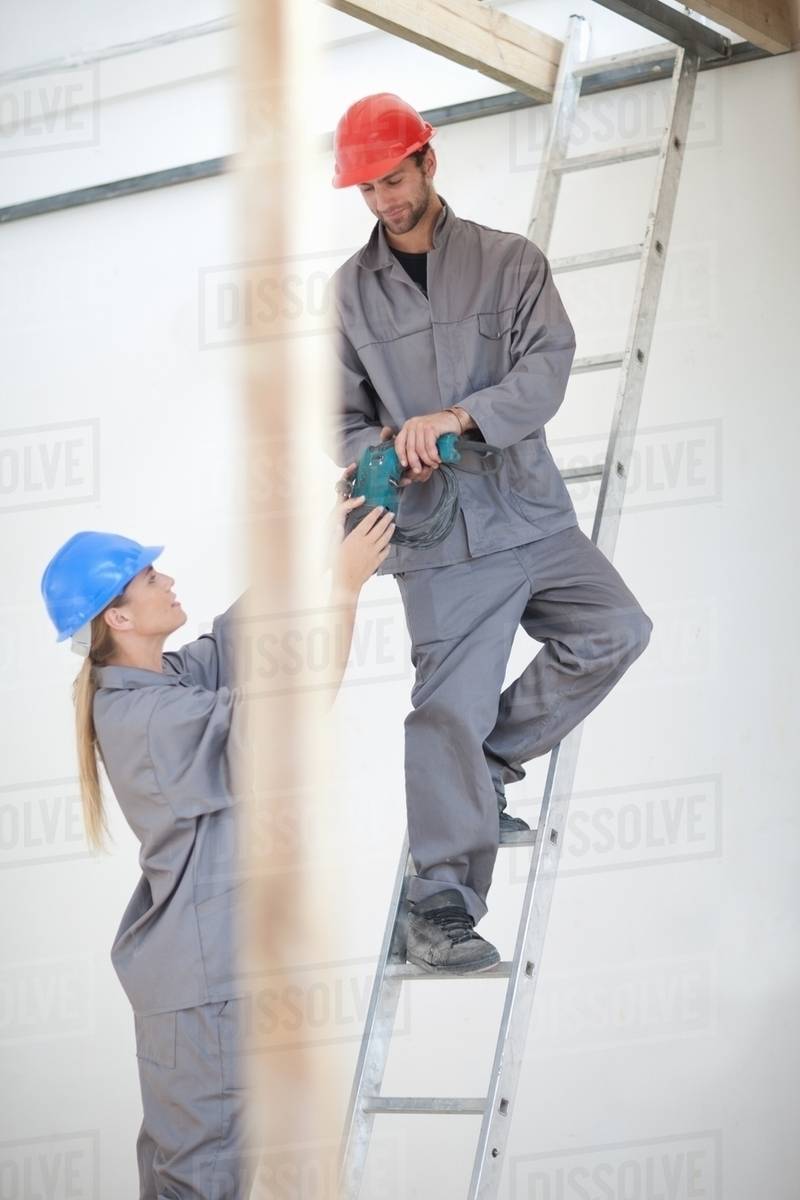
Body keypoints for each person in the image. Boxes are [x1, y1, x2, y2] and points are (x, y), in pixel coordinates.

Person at [330, 93, 653, 975]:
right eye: (366, 188)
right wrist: (385, 452)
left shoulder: (510, 263)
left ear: (428, 162)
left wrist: (460, 419)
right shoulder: (350, 295)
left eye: (393, 178)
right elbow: (340, 415)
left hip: (528, 512)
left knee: (616, 630)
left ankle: (486, 767)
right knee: (445, 709)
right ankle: (438, 906)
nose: (384, 200)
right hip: (438, 539)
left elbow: (546, 370)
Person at [39, 482, 393, 1199]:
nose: (167, 579)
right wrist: (346, 590)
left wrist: (314, 549)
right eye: (149, 577)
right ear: (119, 615)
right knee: (202, 1182)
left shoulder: (158, 681)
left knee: (188, 1176)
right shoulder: (145, 718)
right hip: (203, 991)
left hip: (201, 982)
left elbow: (239, 638)